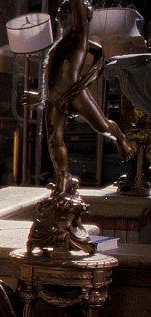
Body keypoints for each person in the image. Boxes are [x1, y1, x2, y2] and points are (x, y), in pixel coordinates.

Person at [43, 0, 134, 194]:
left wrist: (76, 6)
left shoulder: (78, 36)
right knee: (53, 139)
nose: (63, 16)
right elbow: (52, 79)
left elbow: (78, 8)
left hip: (75, 94)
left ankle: (119, 137)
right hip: (54, 99)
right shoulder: (57, 47)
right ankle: (63, 177)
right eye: (61, 13)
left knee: (102, 126)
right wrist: (39, 97)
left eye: (68, 12)